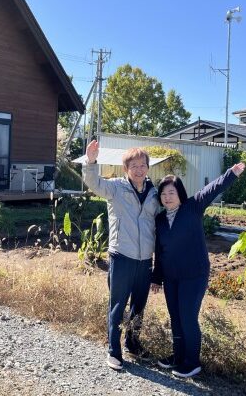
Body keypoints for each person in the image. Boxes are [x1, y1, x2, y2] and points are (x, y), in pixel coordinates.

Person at [152, 162, 245, 378]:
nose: (167, 197)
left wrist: (231, 174)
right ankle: (177, 357)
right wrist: (156, 277)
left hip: (194, 275)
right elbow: (159, 249)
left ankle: (192, 362)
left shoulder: (193, 207)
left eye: (171, 192)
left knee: (187, 317)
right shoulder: (159, 219)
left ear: (180, 194)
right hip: (171, 277)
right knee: (175, 317)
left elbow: (212, 188)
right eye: (164, 193)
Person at [82, 139, 160, 371]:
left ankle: (133, 344)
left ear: (147, 167)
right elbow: (93, 183)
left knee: (139, 306)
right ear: (125, 169)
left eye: (142, 165)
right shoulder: (115, 187)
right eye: (133, 166)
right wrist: (91, 161)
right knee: (117, 306)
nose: (138, 169)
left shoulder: (154, 193)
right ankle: (114, 351)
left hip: (145, 259)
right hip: (122, 257)